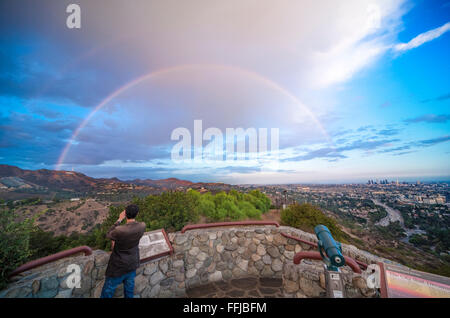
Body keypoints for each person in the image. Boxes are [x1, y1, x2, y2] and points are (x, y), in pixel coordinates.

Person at [100, 204, 146, 298]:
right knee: (129, 291)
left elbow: (108, 234)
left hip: (118, 266)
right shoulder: (142, 226)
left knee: (108, 291)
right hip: (132, 264)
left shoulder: (119, 230)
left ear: (125, 214)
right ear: (137, 214)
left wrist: (119, 220)